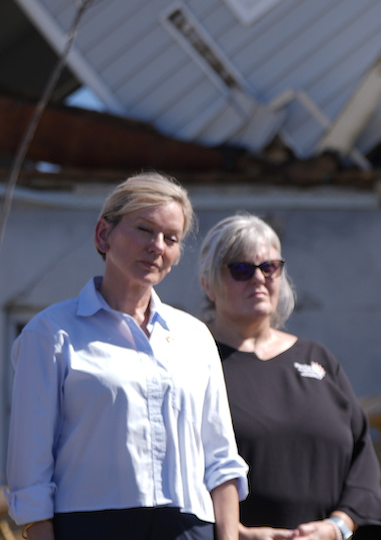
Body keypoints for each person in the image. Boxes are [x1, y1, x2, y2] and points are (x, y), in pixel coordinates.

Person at [5, 172, 248, 540]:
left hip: (189, 528)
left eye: (171, 238)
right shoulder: (50, 332)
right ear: (103, 234)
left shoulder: (195, 336)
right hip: (91, 527)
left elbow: (220, 457)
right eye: (144, 229)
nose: (157, 246)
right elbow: (30, 464)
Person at [200, 213, 381, 540]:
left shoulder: (317, 359)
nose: (258, 278)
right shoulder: (193, 361)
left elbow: (361, 460)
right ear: (208, 284)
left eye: (269, 268)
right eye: (241, 269)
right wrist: (231, 532)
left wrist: (337, 527)